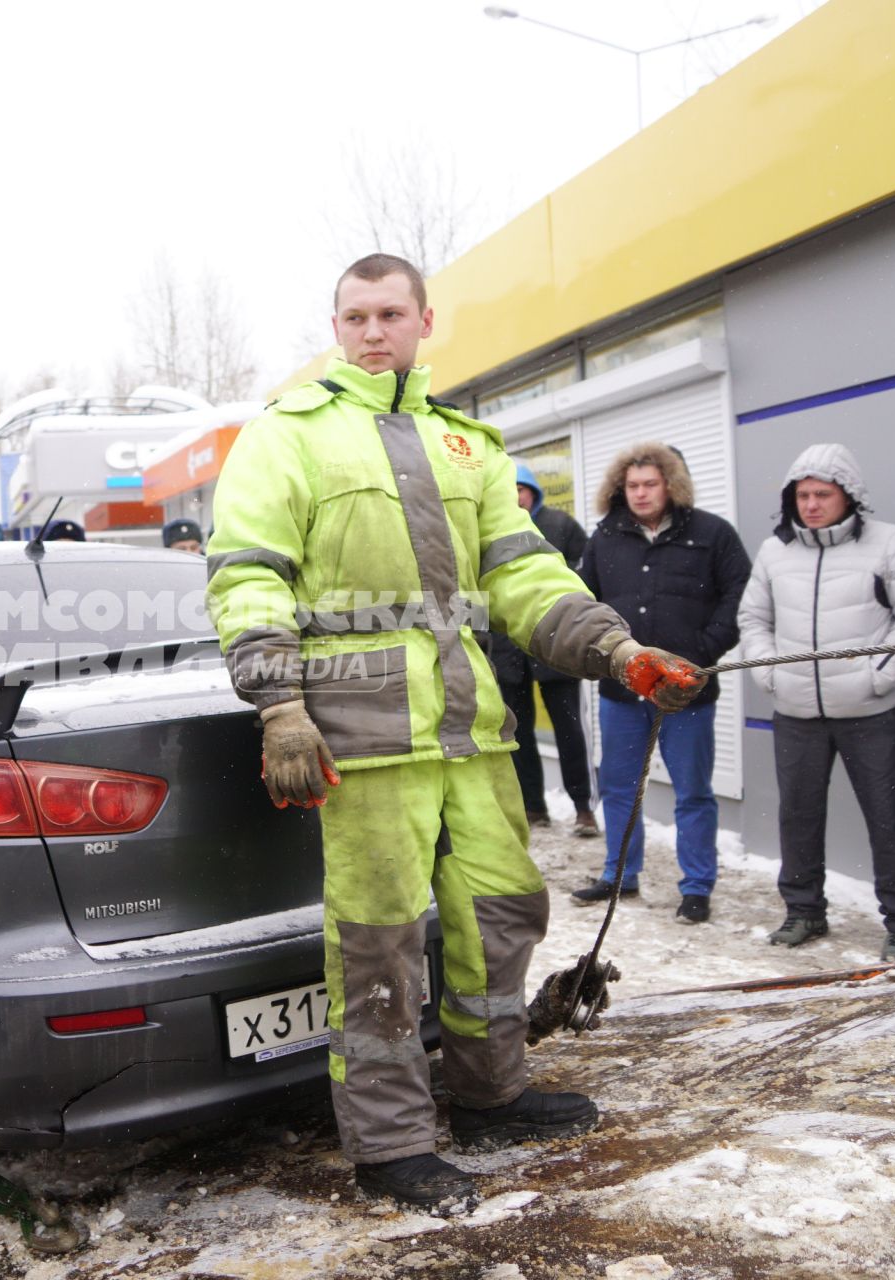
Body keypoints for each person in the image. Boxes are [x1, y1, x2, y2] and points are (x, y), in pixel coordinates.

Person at [206, 252, 704, 1212]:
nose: (372, 331)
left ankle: (490, 1094)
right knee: (379, 946)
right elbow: (246, 577)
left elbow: (522, 577)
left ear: (424, 323)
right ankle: (390, 1144)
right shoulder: (286, 438)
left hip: (472, 731)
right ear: (337, 326)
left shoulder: (469, 446)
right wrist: (278, 701)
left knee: (502, 912)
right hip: (362, 739)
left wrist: (617, 649)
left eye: (390, 313)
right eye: (355, 316)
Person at [737, 444, 895, 961]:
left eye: (822, 494)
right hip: (796, 714)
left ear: (848, 495)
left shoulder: (890, 544)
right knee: (798, 816)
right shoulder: (774, 551)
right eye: (802, 495)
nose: (810, 504)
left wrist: (881, 674)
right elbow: (753, 620)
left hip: (870, 714)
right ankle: (804, 911)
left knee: (890, 817)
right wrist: (768, 672)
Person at [577, 443, 751, 924]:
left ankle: (696, 886)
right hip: (622, 691)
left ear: (671, 484)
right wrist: (606, 654)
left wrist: (701, 651)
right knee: (618, 787)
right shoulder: (605, 538)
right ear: (619, 489)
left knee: (693, 791)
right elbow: (584, 601)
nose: (640, 493)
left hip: (687, 692)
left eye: (650, 483)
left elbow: (740, 596)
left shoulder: (713, 535)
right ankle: (619, 874)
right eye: (631, 485)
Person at [490, 464, 596, 836]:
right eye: (509, 488)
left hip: (556, 647)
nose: (516, 495)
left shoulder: (561, 525)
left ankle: (583, 808)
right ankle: (534, 806)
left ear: (534, 492)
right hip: (507, 652)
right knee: (518, 735)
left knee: (570, 732)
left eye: (522, 488)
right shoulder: (490, 530)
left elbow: (585, 577)